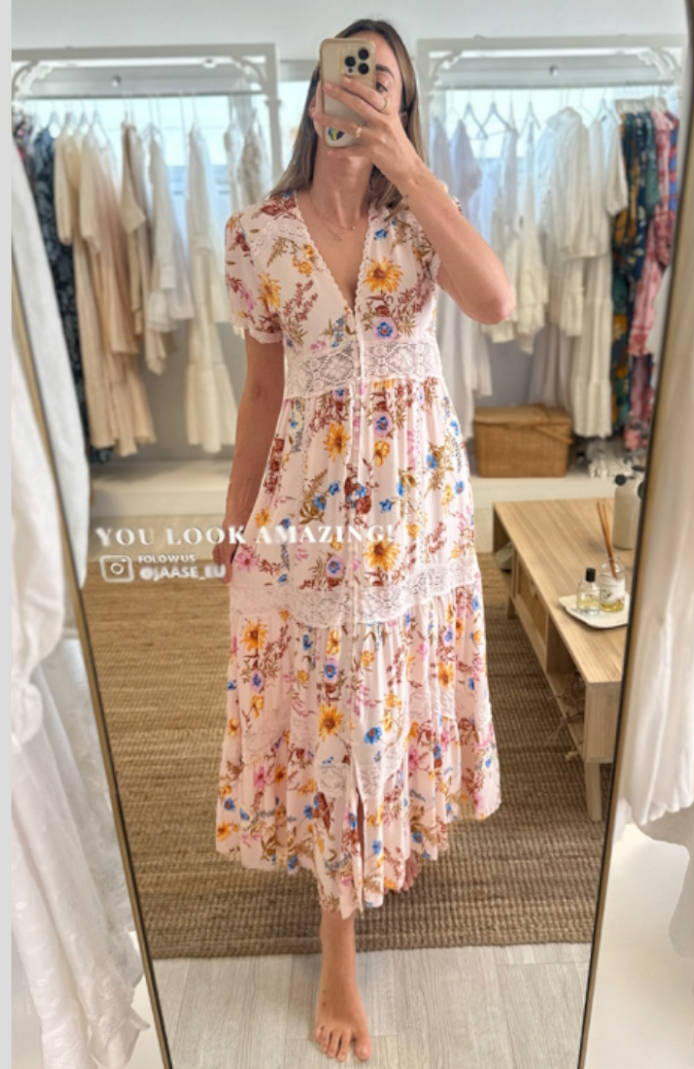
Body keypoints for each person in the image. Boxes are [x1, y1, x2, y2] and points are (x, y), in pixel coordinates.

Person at [213, 17, 513, 1063]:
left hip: (414, 509)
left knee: (396, 683)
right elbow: (261, 389)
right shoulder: (256, 236)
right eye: (345, 73)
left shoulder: (419, 215)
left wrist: (408, 166)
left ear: (401, 103)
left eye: (381, 79)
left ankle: (392, 828)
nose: (359, 88)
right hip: (312, 505)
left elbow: (496, 300)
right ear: (314, 98)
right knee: (331, 693)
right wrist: (235, 515)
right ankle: (336, 945)